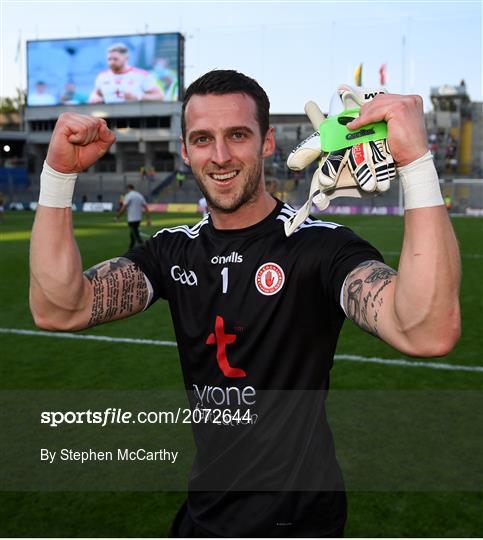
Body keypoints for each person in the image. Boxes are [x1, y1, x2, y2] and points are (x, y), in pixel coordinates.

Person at [29, 70, 461, 537]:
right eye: (202, 139)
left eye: (237, 135)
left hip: (300, 525)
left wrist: (416, 162)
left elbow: (427, 329)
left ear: (267, 142)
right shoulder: (172, 250)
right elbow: (60, 308)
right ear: (184, 149)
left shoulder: (319, 248)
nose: (219, 156)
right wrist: (57, 177)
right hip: (204, 521)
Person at [88, 43, 163, 104]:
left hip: (134, 118)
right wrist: (95, 97)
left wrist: (138, 97)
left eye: (115, 59)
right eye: (109, 59)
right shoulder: (102, 76)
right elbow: (95, 94)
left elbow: (160, 96)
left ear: (126, 58)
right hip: (109, 118)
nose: (112, 62)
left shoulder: (142, 75)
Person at [116, 184, 151, 248]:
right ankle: (131, 248)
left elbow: (124, 207)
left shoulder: (128, 196)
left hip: (131, 219)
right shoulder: (139, 195)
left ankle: (145, 249)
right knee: (132, 234)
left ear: (128, 188)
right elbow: (146, 207)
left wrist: (118, 216)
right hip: (138, 218)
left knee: (137, 236)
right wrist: (148, 219)